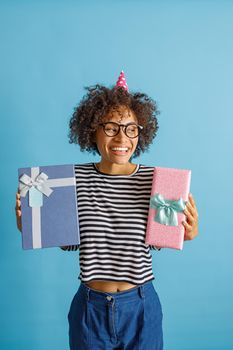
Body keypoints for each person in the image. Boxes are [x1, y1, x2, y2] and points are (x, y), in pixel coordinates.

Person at [15, 71, 199, 350]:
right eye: (111, 127)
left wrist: (187, 233)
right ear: (93, 129)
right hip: (90, 310)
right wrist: (30, 224)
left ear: (141, 132)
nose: (121, 137)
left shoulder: (159, 182)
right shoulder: (69, 182)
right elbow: (67, 242)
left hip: (141, 307)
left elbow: (162, 239)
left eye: (131, 128)